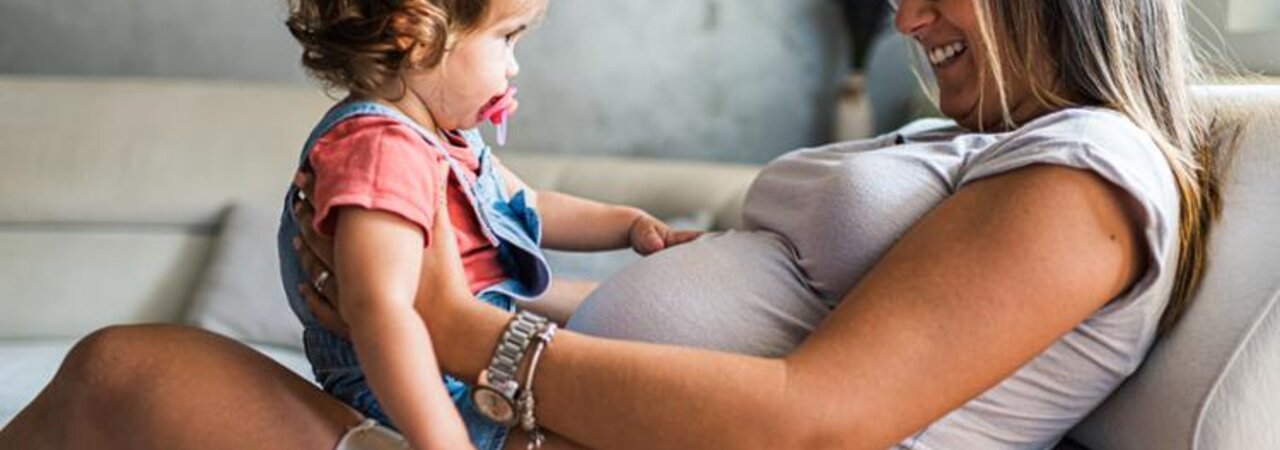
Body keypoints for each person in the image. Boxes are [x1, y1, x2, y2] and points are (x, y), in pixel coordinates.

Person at [0, 0, 1239, 449]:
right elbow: (758, 325)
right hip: (535, 405)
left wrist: (453, 329)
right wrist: (504, 304)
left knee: (121, 378)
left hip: (543, 430)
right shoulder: (984, 145)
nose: (909, 15)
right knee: (116, 383)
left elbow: (821, 419)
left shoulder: (1088, 172)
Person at [275, 0, 702, 448]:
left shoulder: (442, 138)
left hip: (465, 369)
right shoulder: (382, 149)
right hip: (416, 396)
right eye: (506, 38)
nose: (513, 67)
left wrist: (628, 225)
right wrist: (443, 440)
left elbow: (530, 203)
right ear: (415, 37)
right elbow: (381, 310)